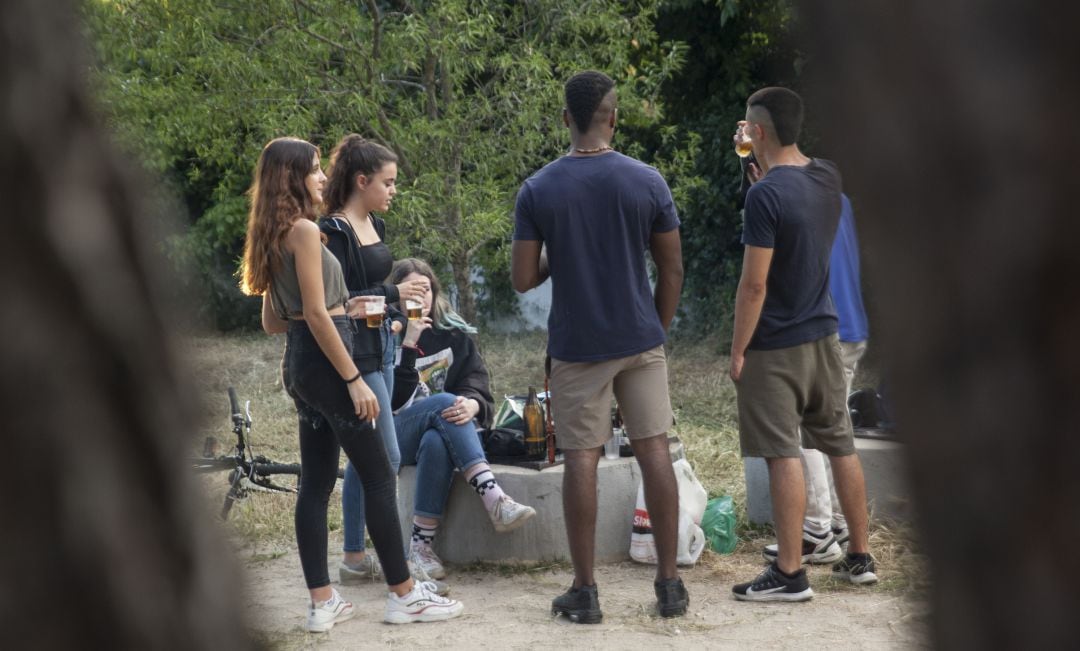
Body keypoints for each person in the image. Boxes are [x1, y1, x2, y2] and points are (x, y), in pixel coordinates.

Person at [240, 137, 462, 628]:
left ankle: (323, 603)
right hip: (328, 365)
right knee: (380, 473)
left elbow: (276, 322)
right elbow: (319, 314)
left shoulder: (276, 235)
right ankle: (405, 595)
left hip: (300, 366)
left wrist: (336, 311)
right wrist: (354, 378)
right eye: (315, 170)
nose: (323, 178)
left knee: (316, 483)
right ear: (292, 178)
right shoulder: (303, 231)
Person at [511, 71, 688, 622]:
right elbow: (672, 266)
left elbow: (522, 278)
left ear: (566, 119)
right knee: (654, 449)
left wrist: (556, 253)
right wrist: (654, 327)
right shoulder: (648, 181)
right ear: (613, 117)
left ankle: (585, 592)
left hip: (578, 346)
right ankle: (669, 585)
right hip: (640, 339)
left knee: (581, 459)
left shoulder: (539, 189)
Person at [727, 87, 876, 603]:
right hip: (826, 333)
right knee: (839, 442)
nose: (742, 133)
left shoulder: (764, 196)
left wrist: (738, 349)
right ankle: (860, 556)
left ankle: (790, 572)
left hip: (776, 343)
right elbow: (801, 220)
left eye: (746, 127)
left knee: (781, 452)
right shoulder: (828, 176)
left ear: (759, 131)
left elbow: (755, 285)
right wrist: (761, 172)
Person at [315, 135, 430, 588]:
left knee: (372, 457)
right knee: (387, 455)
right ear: (361, 181)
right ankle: (396, 562)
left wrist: (397, 315)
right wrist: (394, 293)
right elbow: (338, 299)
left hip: (381, 342)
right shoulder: (334, 232)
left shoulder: (373, 226)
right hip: (356, 354)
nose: (393, 190)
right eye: (388, 182)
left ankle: (355, 556)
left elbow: (370, 295)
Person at [387, 258, 537, 580]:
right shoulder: (388, 332)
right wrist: (409, 341)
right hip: (396, 434)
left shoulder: (453, 334)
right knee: (443, 402)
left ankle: (421, 548)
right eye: (411, 291)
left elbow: (477, 382)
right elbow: (392, 400)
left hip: (442, 433)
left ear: (434, 292)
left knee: (436, 441)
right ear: (396, 295)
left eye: (425, 289)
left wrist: (471, 403)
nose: (419, 297)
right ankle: (494, 498)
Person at [760, 193, 869, 565]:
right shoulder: (835, 195)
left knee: (803, 426)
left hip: (824, 325)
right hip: (853, 324)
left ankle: (816, 530)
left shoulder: (790, 201)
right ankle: (836, 523)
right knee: (831, 428)